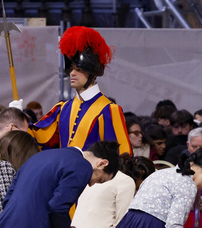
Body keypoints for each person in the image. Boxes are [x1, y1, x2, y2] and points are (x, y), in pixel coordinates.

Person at [31, 26, 131, 155]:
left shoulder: (109, 110)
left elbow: (122, 155)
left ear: (92, 73)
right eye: (71, 68)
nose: (72, 73)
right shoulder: (63, 108)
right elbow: (37, 139)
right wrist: (18, 118)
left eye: (78, 69)